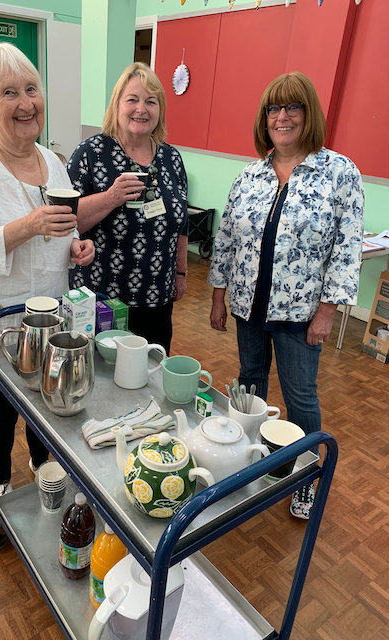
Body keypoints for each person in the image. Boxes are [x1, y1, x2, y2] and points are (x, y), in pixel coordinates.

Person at [208, 71, 364, 519]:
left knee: (300, 399)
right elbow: (228, 239)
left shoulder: (339, 174)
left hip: (300, 315)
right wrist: (218, 296)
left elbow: (345, 250)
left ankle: (305, 477)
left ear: (308, 113)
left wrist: (328, 311)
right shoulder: (250, 175)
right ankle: (251, 459)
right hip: (248, 307)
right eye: (273, 109)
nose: (282, 116)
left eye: (292, 107)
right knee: (250, 384)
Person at [0, 43, 95, 498]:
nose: (27, 103)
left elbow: (62, 232)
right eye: (10, 92)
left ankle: (41, 462)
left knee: (47, 400)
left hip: (48, 315)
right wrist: (25, 226)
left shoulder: (53, 162)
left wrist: (75, 248)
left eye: (32, 89)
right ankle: (1, 484)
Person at [66, 62, 189, 354]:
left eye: (151, 101)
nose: (141, 109)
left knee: (151, 375)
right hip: (103, 300)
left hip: (158, 298)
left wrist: (181, 274)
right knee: (103, 380)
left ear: (160, 110)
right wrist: (111, 197)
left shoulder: (171, 158)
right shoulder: (91, 153)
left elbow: (181, 223)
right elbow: (67, 220)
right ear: (117, 105)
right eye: (132, 99)